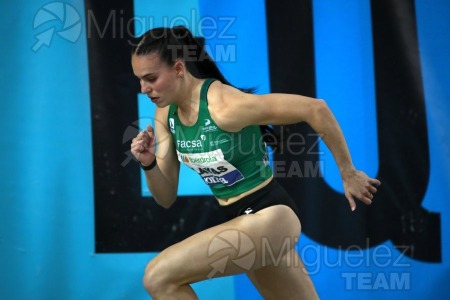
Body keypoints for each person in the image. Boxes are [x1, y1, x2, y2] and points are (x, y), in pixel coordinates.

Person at [130, 26, 381, 300]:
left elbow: (315, 109)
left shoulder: (225, 106)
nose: (144, 89)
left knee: (157, 276)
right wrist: (149, 163)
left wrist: (348, 172)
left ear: (179, 69)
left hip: (270, 217)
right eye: (140, 80)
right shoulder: (166, 113)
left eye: (151, 78)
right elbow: (165, 197)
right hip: (242, 221)